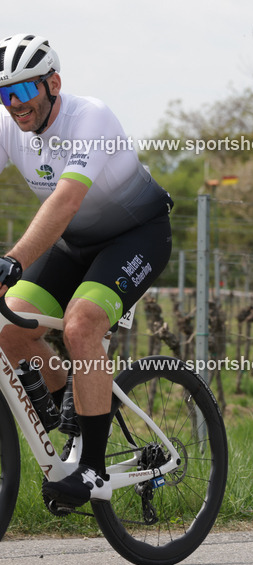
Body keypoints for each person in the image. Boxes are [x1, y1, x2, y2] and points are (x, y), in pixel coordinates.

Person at [0, 34, 173, 508]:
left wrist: (13, 260)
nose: (15, 105)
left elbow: (66, 200)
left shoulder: (90, 117)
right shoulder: (9, 128)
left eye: (22, 92)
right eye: (3, 94)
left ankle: (93, 471)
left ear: (53, 83)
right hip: (74, 244)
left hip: (136, 236)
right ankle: (73, 408)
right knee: (8, 327)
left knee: (81, 327)